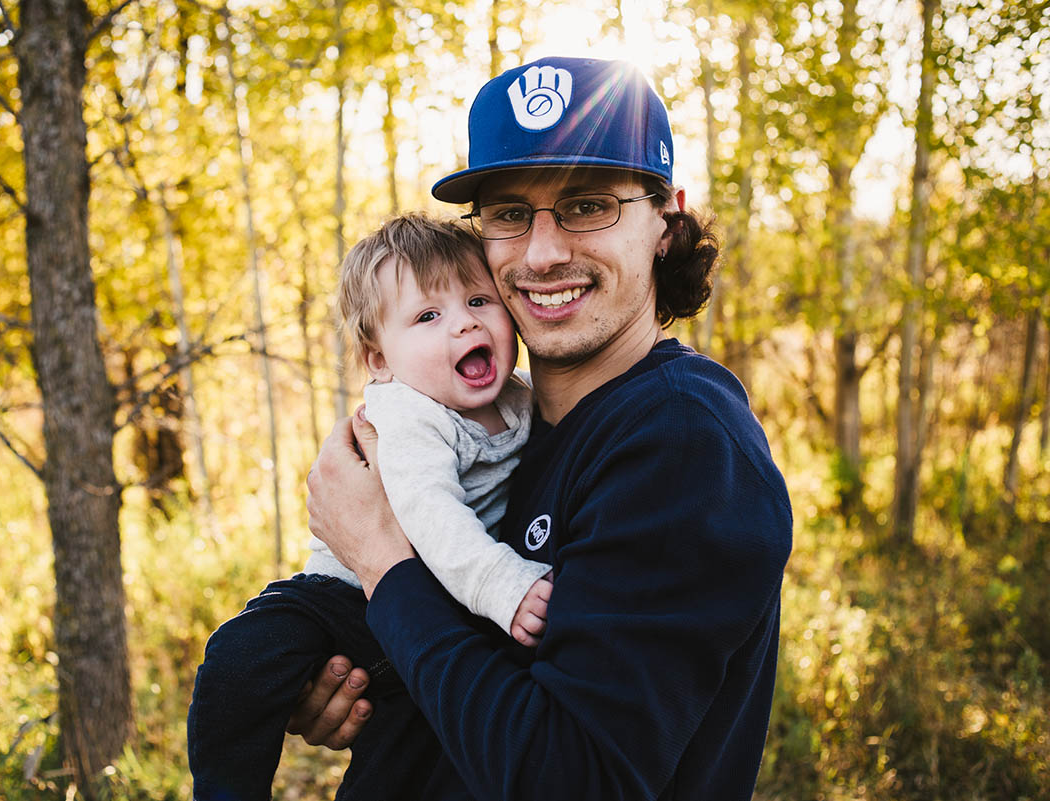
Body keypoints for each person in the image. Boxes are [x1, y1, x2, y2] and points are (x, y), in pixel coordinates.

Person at [301, 55, 793, 800]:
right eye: (507, 213)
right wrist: (352, 671)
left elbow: (573, 778)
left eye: (589, 204)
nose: (543, 252)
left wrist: (379, 562)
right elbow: (467, 669)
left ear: (666, 218)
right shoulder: (497, 428)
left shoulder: (680, 442)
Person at [187, 213, 554, 801]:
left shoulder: (523, 401)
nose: (463, 323)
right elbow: (426, 511)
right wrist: (501, 584)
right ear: (379, 359)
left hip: (426, 613)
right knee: (243, 657)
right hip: (344, 593)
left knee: (404, 761)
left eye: (479, 300)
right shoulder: (407, 413)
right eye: (428, 317)